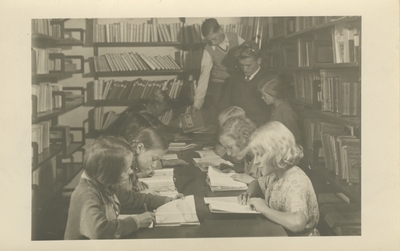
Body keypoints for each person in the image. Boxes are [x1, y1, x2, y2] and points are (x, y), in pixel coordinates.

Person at [64, 135, 183, 240]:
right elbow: (98, 231)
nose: (131, 171)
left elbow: (133, 198)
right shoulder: (87, 194)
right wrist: (135, 222)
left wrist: (167, 201)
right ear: (110, 171)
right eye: (126, 168)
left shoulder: (106, 184)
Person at [238, 121, 319, 236]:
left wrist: (264, 209)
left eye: (260, 154)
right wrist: (249, 194)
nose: (255, 162)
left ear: (276, 153)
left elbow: (298, 223)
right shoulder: (275, 175)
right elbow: (256, 183)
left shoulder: (295, 182)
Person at [189, 18, 244, 124]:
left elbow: (249, 54)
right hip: (218, 86)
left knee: (238, 114)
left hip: (236, 82)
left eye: (214, 38)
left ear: (220, 30)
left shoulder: (236, 38)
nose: (212, 43)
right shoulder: (208, 49)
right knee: (223, 117)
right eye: (209, 40)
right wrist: (197, 104)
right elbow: (204, 77)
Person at [219, 41, 271, 127]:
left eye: (249, 65)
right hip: (236, 127)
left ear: (259, 61)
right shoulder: (234, 78)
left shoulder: (268, 78)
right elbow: (225, 103)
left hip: (260, 127)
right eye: (241, 65)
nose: (245, 69)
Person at [113, 88, 182, 142]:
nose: (163, 114)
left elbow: (162, 127)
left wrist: (180, 130)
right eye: (164, 110)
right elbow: (152, 135)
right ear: (156, 105)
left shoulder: (144, 108)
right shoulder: (143, 115)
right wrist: (174, 136)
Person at [258, 74, 301, 144]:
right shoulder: (274, 108)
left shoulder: (285, 110)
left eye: (264, 95)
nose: (262, 98)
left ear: (274, 94)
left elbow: (293, 136)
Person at [218, 116, 262, 184]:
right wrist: (235, 173)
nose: (228, 153)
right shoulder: (248, 156)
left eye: (230, 147)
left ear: (244, 139)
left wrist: (253, 182)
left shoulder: (265, 156)